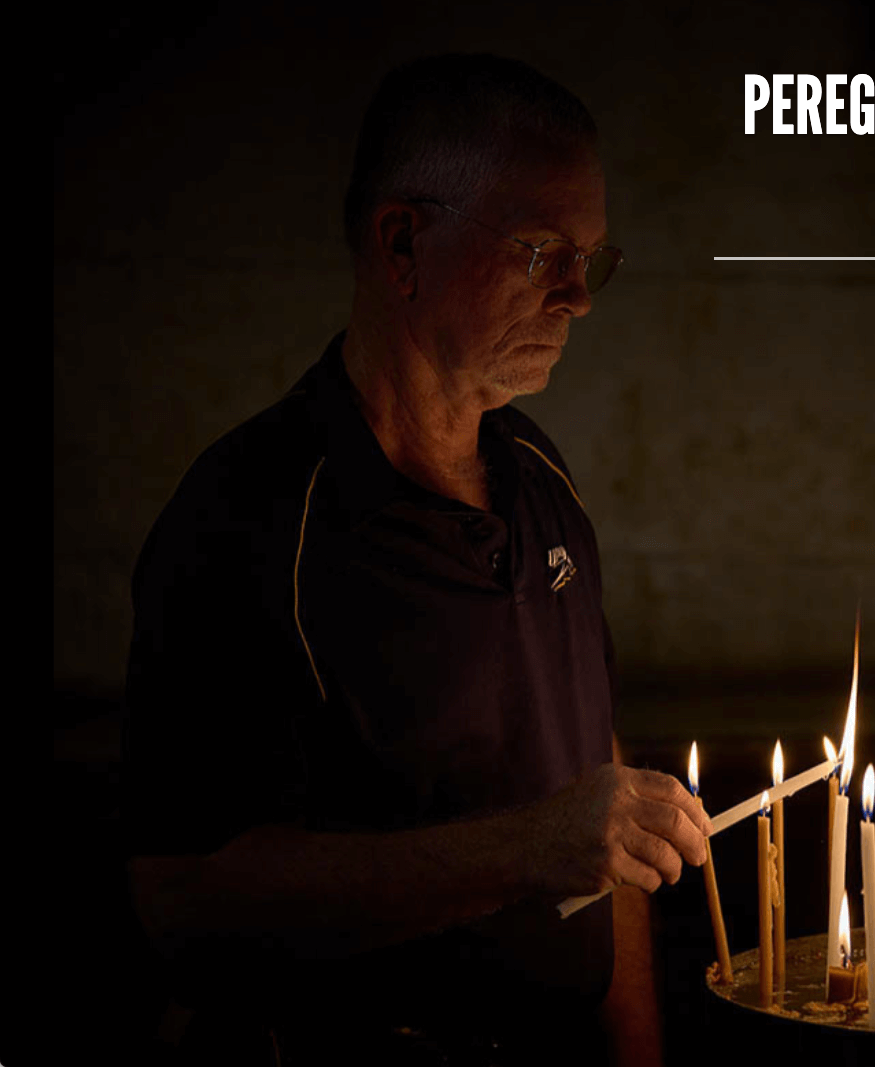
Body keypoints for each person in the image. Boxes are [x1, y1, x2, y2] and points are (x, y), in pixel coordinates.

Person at [122, 54, 709, 1066]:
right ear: (402, 243)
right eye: (540, 251)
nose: (578, 296)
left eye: (593, 258)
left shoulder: (540, 478)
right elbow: (182, 902)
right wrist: (529, 847)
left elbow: (595, 794)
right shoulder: (248, 518)